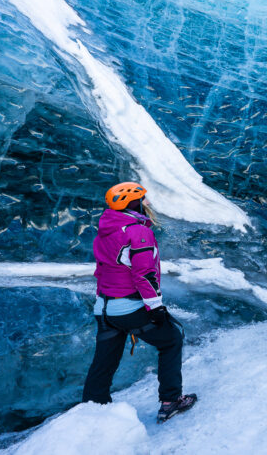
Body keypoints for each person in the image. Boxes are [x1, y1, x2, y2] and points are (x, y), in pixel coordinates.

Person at [82, 181, 197, 423]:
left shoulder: (106, 228)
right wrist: (156, 308)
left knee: (104, 361)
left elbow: (105, 269)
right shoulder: (138, 232)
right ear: (133, 203)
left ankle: (92, 412)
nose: (147, 202)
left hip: (104, 308)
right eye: (143, 198)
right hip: (128, 307)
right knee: (172, 339)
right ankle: (171, 401)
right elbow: (144, 274)